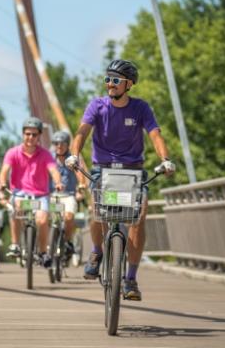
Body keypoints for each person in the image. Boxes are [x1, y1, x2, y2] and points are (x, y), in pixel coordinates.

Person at [65, 59, 176, 300]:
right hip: (102, 170)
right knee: (97, 210)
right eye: (107, 79)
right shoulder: (97, 106)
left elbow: (155, 135)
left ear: (129, 84)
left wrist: (165, 159)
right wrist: (74, 155)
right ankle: (96, 252)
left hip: (132, 171)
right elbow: (81, 133)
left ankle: (131, 279)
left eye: (115, 80)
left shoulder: (141, 109)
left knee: (138, 218)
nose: (110, 85)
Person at [0, 116, 63, 268]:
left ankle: (42, 252)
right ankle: (15, 244)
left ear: (39, 136)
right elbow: (4, 171)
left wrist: (58, 182)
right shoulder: (13, 153)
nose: (30, 137)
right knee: (15, 208)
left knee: (42, 220)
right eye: (27, 134)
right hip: (20, 193)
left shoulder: (46, 154)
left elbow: (53, 170)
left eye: (34, 134)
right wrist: (2, 182)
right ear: (23, 134)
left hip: (40, 195)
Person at [50, 130, 87, 257]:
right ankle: (47, 244)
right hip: (51, 195)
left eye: (62, 143)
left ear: (67, 145)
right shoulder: (48, 158)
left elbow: (80, 173)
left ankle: (67, 241)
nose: (59, 146)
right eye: (56, 143)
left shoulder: (72, 159)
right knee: (43, 218)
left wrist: (81, 185)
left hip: (68, 195)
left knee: (69, 217)